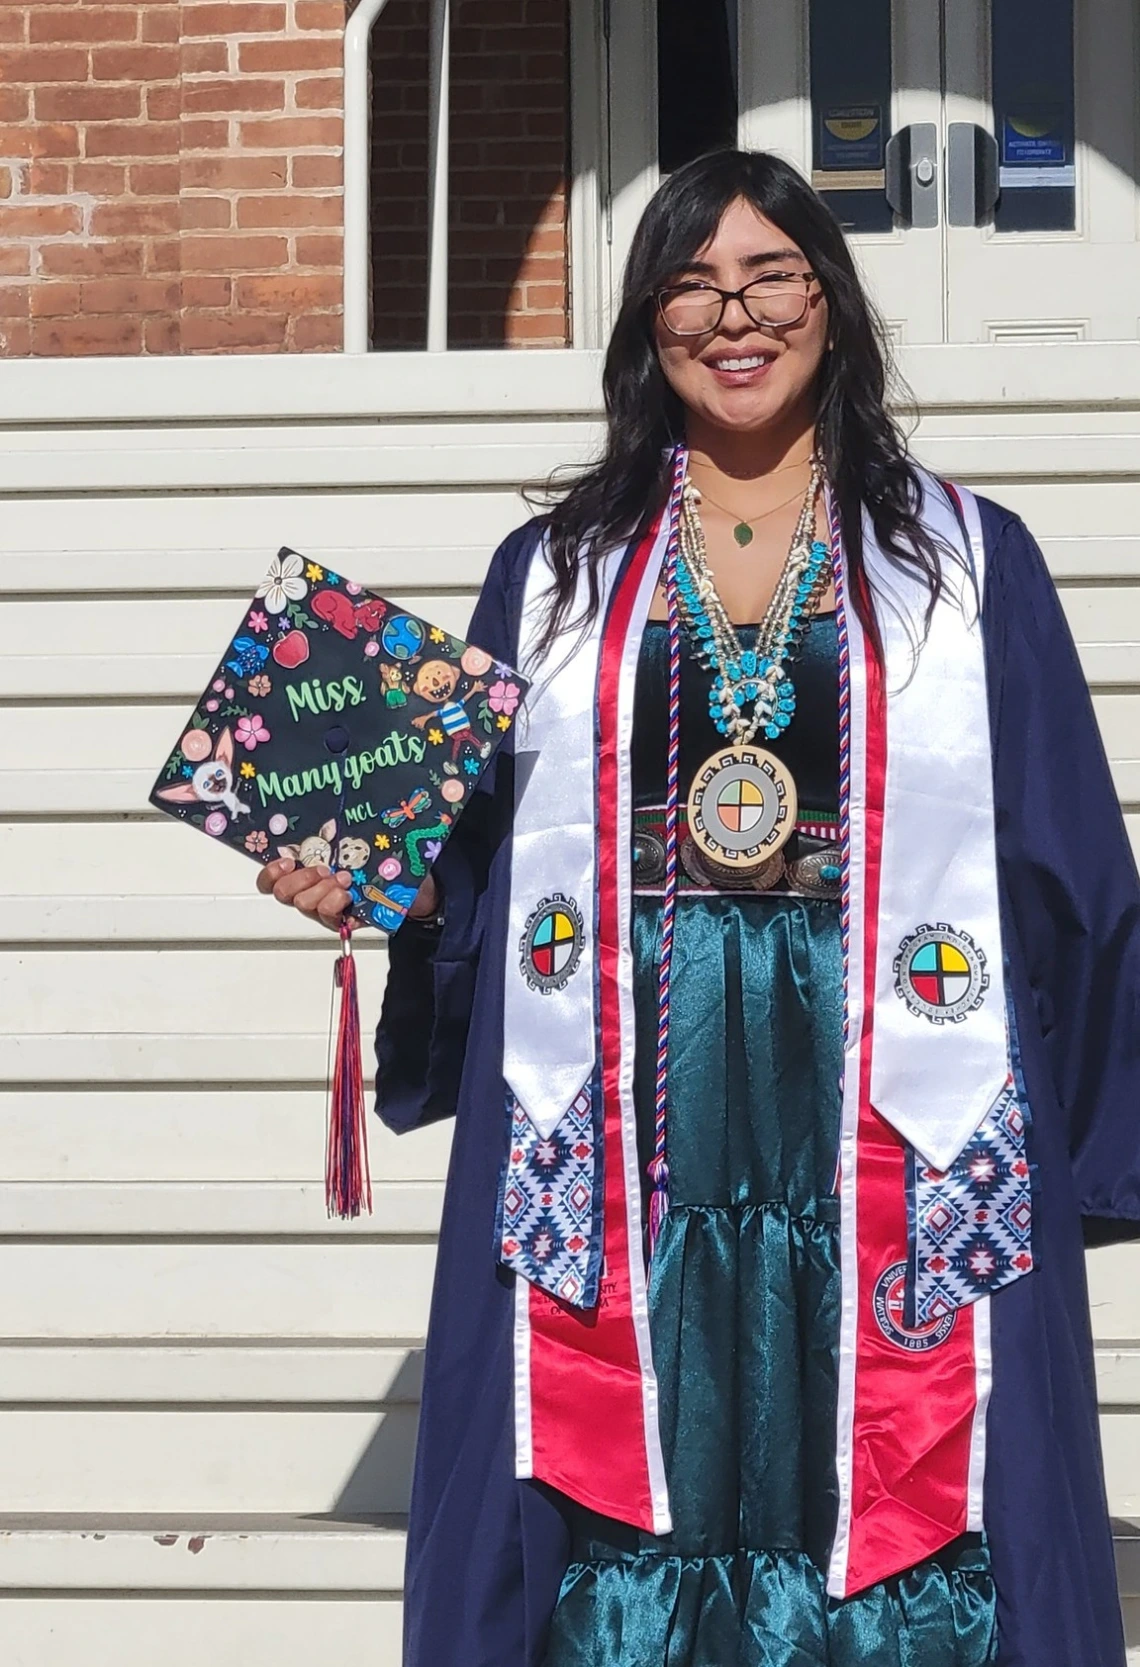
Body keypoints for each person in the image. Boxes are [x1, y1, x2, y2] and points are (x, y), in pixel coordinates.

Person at [256, 150, 1140, 1667]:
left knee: (888, 1463)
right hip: (628, 1091)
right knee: (615, 1470)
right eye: (691, 280)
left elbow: (1065, 861)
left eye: (772, 273)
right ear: (647, 320)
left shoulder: (972, 564)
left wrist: (1076, 1149)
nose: (735, 314)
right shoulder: (548, 573)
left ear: (833, 303)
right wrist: (373, 884)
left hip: (883, 1081)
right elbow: (469, 872)